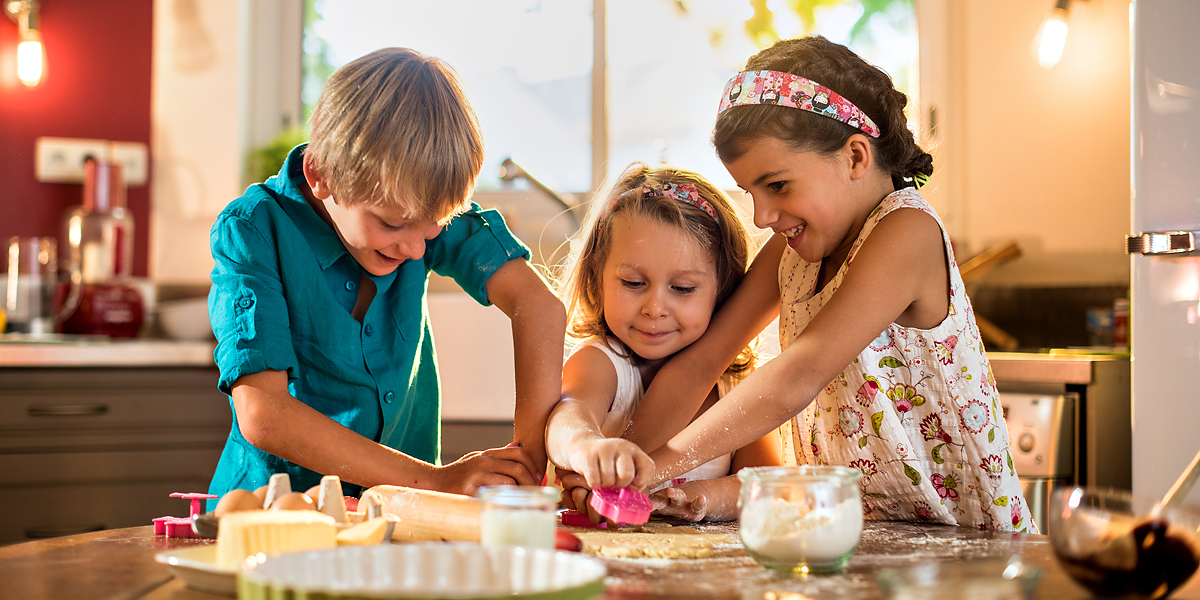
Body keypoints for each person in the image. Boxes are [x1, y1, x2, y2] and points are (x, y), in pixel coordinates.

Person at [565, 36, 1035, 533]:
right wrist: (619, 475)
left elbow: (796, 376)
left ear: (855, 157)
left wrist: (655, 471)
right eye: (749, 192)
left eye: (778, 186)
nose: (763, 216)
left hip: (963, 538)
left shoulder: (906, 231)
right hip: (859, 532)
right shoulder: (791, 253)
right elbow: (702, 361)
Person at [205, 48, 565, 508]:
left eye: (433, 226)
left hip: (396, 515)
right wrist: (437, 481)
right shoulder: (253, 229)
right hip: (268, 514)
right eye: (392, 225)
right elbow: (264, 414)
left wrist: (528, 461)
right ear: (322, 175)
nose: (416, 248)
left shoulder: (415, 198)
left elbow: (540, 307)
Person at [545, 164, 783, 523]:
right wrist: (585, 448)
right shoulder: (602, 363)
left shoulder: (736, 387)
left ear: (723, 289)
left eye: (683, 288)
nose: (654, 309)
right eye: (633, 282)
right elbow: (568, 415)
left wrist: (691, 498)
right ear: (598, 275)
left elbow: (767, 485)